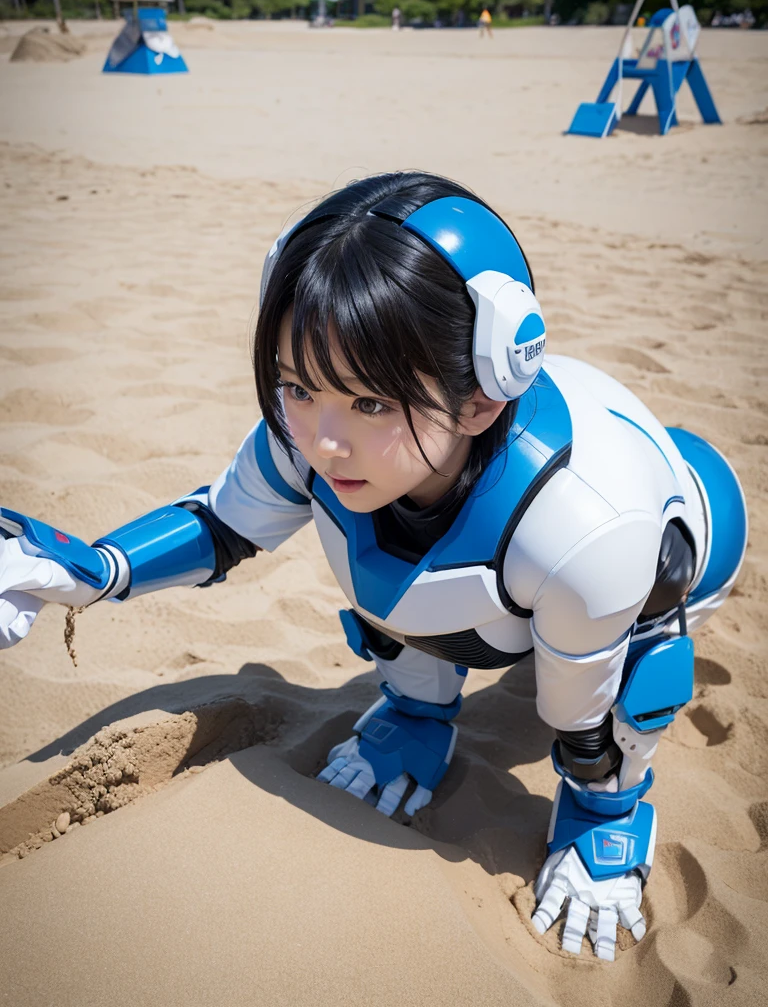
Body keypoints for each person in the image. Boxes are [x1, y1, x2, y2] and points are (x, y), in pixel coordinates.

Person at [0, 172, 747, 962]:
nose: (322, 441)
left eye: (369, 404)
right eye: (297, 385)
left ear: (483, 396)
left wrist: (600, 793)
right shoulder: (322, 441)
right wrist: (96, 569)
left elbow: (583, 711)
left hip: (676, 547)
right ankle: (419, 715)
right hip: (514, 563)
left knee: (609, 684)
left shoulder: (582, 527)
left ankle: (610, 814)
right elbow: (223, 524)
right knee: (398, 599)